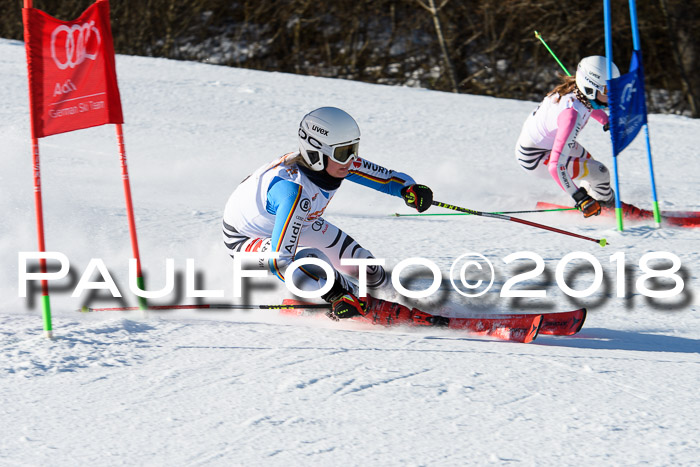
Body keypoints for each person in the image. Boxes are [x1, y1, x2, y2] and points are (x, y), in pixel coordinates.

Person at [222, 106, 435, 323]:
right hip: (245, 241)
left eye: (354, 149)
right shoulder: (292, 193)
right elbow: (281, 262)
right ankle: (338, 303)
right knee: (317, 263)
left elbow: (387, 179)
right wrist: (333, 294)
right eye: (344, 152)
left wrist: (409, 189)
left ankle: (405, 304)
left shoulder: (336, 162)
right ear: (316, 154)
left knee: (368, 267)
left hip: (300, 221)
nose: (351, 160)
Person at [514, 55, 647, 218]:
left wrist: (606, 120)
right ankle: (609, 206)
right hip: (535, 158)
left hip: (543, 146)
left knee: (591, 167)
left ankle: (597, 198)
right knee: (600, 172)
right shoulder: (570, 117)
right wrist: (580, 199)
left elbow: (589, 106)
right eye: (607, 90)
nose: (613, 96)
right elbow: (555, 166)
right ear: (590, 88)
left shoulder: (578, 93)